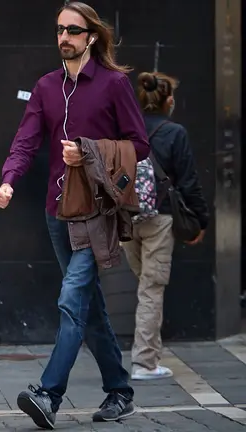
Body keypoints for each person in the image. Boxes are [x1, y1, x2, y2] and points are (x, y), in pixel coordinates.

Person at [0, 2, 150, 429]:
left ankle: (48, 393)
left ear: (91, 37)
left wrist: (89, 151)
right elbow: (25, 140)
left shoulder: (114, 85)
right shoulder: (46, 86)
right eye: (60, 30)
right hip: (56, 212)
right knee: (88, 305)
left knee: (71, 298)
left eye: (73, 31)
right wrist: (9, 179)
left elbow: (140, 144)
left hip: (97, 213)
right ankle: (120, 390)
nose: (64, 37)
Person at [122, 72, 208, 380]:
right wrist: (201, 220)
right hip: (160, 218)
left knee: (145, 286)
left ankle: (150, 354)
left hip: (126, 218)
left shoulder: (124, 129)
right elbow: (188, 182)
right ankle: (144, 364)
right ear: (168, 100)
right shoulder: (175, 132)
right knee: (151, 289)